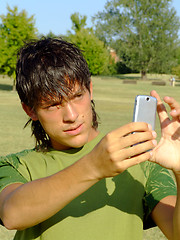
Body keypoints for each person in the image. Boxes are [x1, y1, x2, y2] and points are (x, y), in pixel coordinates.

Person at [0, 38, 179, 240]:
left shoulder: (139, 158)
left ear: (90, 89)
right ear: (30, 110)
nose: (71, 115)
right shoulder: (16, 166)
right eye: (52, 105)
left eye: (77, 96)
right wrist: (94, 167)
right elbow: (12, 215)